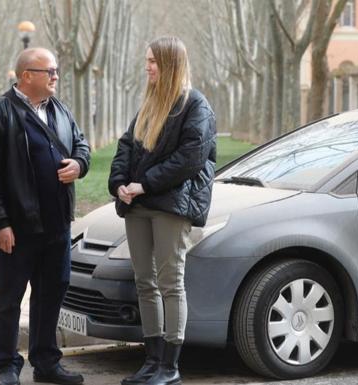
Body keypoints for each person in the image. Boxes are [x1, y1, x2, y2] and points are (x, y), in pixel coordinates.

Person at [108, 36, 217, 385]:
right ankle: (151, 361)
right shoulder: (150, 103)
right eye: (147, 59)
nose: (147, 66)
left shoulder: (195, 105)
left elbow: (190, 158)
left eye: (153, 61)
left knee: (170, 283)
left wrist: (146, 184)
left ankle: (170, 366)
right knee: (145, 282)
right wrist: (120, 183)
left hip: (171, 205)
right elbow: (127, 144)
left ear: (170, 64)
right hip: (138, 204)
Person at [0, 47, 91, 385]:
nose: (56, 76)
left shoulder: (59, 109)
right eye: (50, 71)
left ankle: (46, 363)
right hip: (17, 229)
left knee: (51, 294)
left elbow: (82, 145)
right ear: (27, 75)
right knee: (9, 297)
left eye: (57, 70)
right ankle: (6, 365)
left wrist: (80, 164)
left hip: (57, 225)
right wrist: (0, 222)